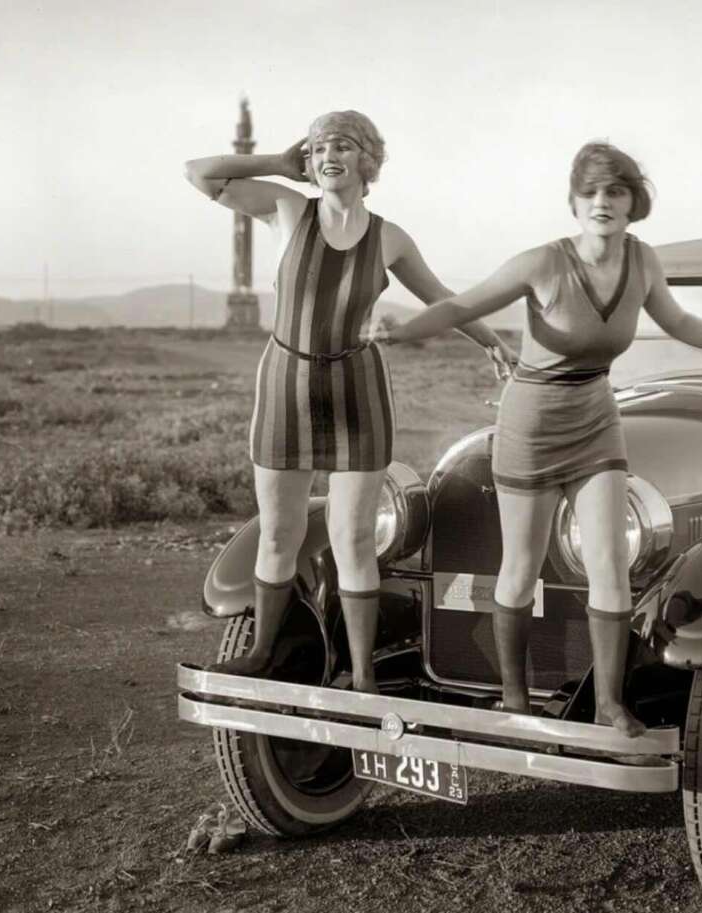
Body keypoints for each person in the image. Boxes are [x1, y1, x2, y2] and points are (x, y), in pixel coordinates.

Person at [375, 141, 702, 734]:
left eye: (615, 191)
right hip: (532, 422)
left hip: (596, 418)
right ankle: (513, 699)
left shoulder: (641, 263)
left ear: (632, 201)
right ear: (573, 202)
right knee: (521, 567)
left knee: (610, 561)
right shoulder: (541, 263)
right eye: (589, 192)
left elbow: (681, 322)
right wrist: (405, 331)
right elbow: (462, 304)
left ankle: (611, 704)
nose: (602, 202)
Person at [184, 110, 511, 692]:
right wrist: (276, 164)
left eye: (342, 145)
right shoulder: (287, 209)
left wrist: (491, 342)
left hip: (358, 391)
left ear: (368, 160)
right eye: (316, 148)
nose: (327, 155)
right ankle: (263, 654)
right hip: (285, 383)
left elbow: (442, 299)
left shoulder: (389, 237)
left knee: (355, 538)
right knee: (280, 532)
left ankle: (361, 677)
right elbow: (199, 173)